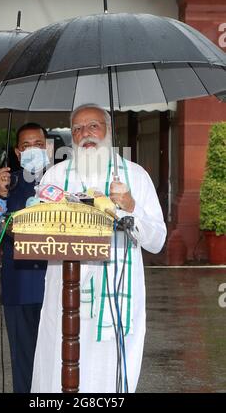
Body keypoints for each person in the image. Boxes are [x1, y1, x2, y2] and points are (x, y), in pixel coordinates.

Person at [31, 104, 167, 393]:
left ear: (108, 130)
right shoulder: (54, 176)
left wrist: (131, 206)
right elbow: (37, 229)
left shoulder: (135, 176)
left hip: (117, 298)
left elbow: (157, 241)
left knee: (109, 375)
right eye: (77, 128)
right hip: (66, 295)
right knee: (59, 373)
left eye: (93, 126)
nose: (85, 134)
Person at [0, 123, 50, 393]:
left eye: (39, 144)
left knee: (60, 359)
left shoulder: (62, 181)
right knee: (24, 363)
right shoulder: (5, 183)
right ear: (17, 153)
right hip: (18, 286)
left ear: (48, 148)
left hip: (56, 285)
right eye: (26, 146)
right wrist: (1, 194)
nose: (33, 149)